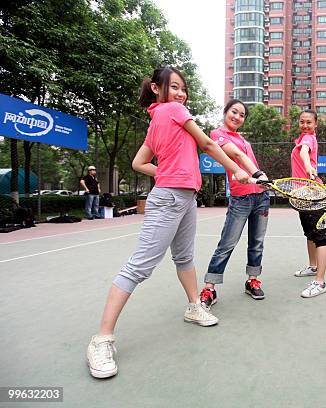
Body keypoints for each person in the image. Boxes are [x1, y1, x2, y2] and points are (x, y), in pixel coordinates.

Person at [86, 66, 249, 379]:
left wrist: (164, 172)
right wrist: (235, 170)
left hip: (185, 197)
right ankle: (101, 339)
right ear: (157, 88)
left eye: (182, 88)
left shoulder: (156, 119)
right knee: (140, 267)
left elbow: (139, 163)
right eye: (174, 86)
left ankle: (193, 307)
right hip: (169, 199)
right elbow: (208, 144)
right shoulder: (173, 110)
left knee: (184, 258)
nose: (180, 93)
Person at [199, 99, 270, 309]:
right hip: (241, 198)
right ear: (226, 112)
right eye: (234, 112)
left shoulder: (244, 140)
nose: (237, 117)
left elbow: (249, 160)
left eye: (242, 115)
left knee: (256, 243)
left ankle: (252, 280)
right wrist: (259, 174)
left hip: (261, 197)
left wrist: (261, 182)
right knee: (227, 244)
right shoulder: (218, 134)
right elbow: (236, 155)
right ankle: (209, 288)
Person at [291, 110, 326, 298]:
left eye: (309, 122)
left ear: (315, 125)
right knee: (309, 233)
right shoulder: (301, 139)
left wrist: (308, 166)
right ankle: (313, 267)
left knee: (319, 235)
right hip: (302, 194)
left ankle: (320, 282)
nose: (305, 125)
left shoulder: (309, 139)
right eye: (302, 122)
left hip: (313, 193)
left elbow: (305, 153)